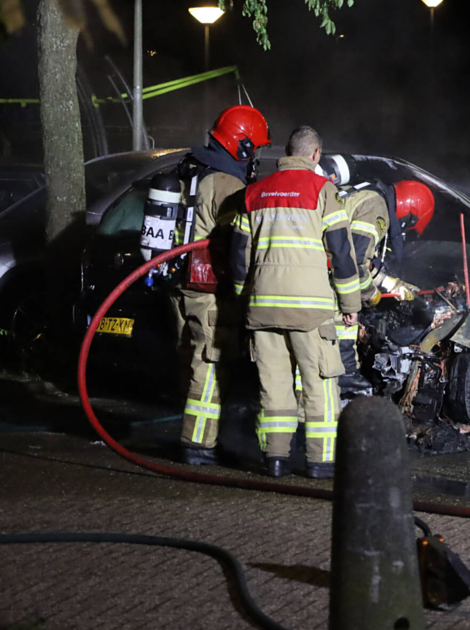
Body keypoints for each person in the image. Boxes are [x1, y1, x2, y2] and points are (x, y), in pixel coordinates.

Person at [230, 126, 361, 479]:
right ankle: (321, 462)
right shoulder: (323, 191)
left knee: (273, 385)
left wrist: (245, 301)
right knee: (320, 384)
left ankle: (275, 459)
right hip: (310, 309)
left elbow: (238, 259)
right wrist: (351, 304)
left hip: (263, 307)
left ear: (288, 152)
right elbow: (342, 253)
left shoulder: (254, 193)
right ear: (316, 155)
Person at [176, 105, 270, 466]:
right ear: (243, 147)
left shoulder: (189, 169)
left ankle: (195, 433)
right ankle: (198, 445)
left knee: (188, 358)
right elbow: (236, 243)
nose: (256, 157)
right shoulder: (227, 183)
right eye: (255, 149)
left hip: (179, 283)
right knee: (209, 362)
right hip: (209, 288)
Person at [317, 155, 434, 392]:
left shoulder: (361, 193)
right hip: (320, 272)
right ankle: (345, 373)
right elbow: (356, 260)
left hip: (312, 263)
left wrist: (391, 284)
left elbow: (357, 254)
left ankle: (343, 372)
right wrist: (370, 294)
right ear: (409, 214)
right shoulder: (377, 208)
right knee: (347, 309)